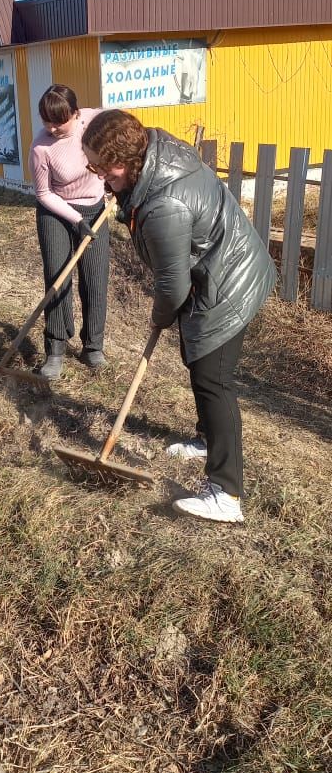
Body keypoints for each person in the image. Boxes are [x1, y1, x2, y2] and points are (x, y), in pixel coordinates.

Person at [82, 109, 277, 524]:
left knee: (213, 379)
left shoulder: (164, 204)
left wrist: (160, 317)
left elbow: (172, 287)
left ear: (128, 162)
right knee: (198, 361)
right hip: (215, 265)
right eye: (92, 166)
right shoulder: (157, 156)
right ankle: (207, 439)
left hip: (228, 282)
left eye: (103, 168)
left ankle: (225, 493)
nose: (99, 176)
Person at [28, 85, 110, 379]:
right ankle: (56, 348)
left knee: (95, 277)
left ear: (76, 114)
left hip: (96, 209)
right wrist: (76, 220)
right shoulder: (41, 147)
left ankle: (93, 347)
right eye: (46, 120)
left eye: (58, 121)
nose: (51, 127)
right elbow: (43, 193)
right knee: (58, 277)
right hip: (56, 212)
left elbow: (125, 126)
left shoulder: (93, 120)